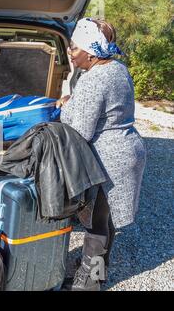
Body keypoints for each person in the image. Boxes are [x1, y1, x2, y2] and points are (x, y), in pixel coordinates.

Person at [57, 18, 147, 290]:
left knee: (96, 226)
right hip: (126, 150)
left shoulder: (94, 79)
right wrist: (73, 101)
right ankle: (98, 270)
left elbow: (79, 130)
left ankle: (91, 282)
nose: (70, 55)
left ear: (91, 52)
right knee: (106, 221)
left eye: (74, 49)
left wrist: (63, 110)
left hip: (108, 159)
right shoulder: (117, 68)